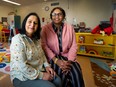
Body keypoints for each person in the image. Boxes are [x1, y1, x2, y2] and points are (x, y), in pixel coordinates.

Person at [10, 12, 62, 87]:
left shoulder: (37, 39)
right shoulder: (17, 39)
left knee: (58, 81)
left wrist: (47, 66)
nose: (32, 25)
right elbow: (22, 66)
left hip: (38, 70)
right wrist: (42, 75)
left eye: (35, 23)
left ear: (38, 26)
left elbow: (42, 55)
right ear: (25, 23)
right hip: (21, 76)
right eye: (30, 21)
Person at [41, 7, 85, 87]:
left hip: (68, 57)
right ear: (51, 16)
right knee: (61, 74)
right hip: (53, 58)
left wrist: (69, 62)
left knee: (76, 72)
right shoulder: (45, 29)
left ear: (64, 16)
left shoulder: (70, 28)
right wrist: (56, 60)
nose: (57, 16)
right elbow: (44, 46)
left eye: (59, 14)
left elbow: (74, 45)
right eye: (54, 14)